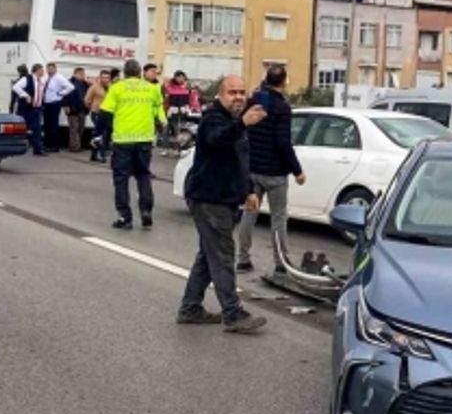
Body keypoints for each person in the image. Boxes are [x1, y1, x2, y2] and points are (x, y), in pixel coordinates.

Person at [178, 74, 268, 333]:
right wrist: (242, 123)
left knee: (209, 256)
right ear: (220, 95)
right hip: (209, 197)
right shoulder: (213, 118)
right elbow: (216, 140)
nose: (238, 97)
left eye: (242, 92)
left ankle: (190, 308)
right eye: (232, 92)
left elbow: (240, 159)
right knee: (223, 255)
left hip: (225, 198)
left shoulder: (235, 121)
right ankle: (233, 313)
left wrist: (249, 191)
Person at [234, 65, 306, 275]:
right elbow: (283, 142)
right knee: (279, 218)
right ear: (283, 82)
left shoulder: (253, 101)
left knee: (249, 213)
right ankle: (280, 262)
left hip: (253, 169)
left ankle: (243, 259)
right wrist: (297, 171)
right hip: (275, 173)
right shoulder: (282, 107)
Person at [100, 59, 167, 230]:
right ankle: (146, 210)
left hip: (123, 140)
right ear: (139, 72)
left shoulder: (117, 88)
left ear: (124, 73)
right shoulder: (152, 88)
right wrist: (160, 123)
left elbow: (105, 112)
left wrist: (106, 132)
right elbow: (158, 110)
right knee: (143, 175)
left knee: (121, 179)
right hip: (144, 140)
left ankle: (125, 217)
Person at [11, 63, 46, 156]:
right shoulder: (27, 79)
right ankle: (15, 146)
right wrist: (25, 95)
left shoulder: (41, 81)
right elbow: (15, 87)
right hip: (25, 108)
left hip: (37, 108)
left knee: (37, 129)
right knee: (21, 128)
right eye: (42, 70)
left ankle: (37, 149)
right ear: (37, 70)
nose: (43, 72)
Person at [41, 63, 74, 153]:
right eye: (48, 69)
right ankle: (47, 144)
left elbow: (70, 87)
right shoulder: (46, 77)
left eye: (51, 69)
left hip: (54, 103)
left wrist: (60, 93)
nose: (49, 70)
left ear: (55, 69)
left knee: (53, 125)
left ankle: (54, 145)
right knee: (47, 125)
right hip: (46, 103)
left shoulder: (59, 78)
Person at [85, 70, 112, 162]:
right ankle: (102, 155)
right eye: (103, 77)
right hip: (97, 112)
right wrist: (92, 108)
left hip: (107, 113)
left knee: (98, 134)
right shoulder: (94, 87)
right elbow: (87, 99)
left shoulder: (111, 87)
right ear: (100, 78)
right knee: (102, 133)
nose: (105, 80)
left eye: (107, 78)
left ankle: (93, 155)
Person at [65, 67, 90, 153]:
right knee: (74, 128)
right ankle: (74, 147)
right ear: (75, 74)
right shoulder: (69, 83)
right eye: (80, 74)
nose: (82, 75)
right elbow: (65, 95)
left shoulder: (85, 84)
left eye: (83, 74)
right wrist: (66, 105)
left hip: (83, 109)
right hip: (72, 109)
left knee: (81, 128)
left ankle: (76, 144)